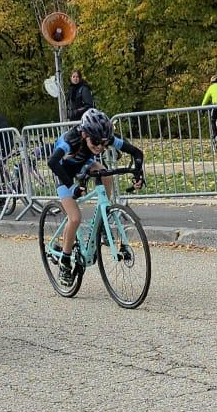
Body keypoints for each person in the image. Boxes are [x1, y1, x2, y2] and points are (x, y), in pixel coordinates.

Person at [47, 108, 144, 285]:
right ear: (84, 134)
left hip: (84, 164)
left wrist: (138, 173)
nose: (100, 146)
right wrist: (72, 186)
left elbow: (137, 153)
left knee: (105, 174)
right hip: (63, 172)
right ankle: (65, 261)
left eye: (105, 143)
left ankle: (104, 217)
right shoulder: (70, 140)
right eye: (96, 142)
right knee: (75, 218)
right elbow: (52, 162)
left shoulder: (101, 136)